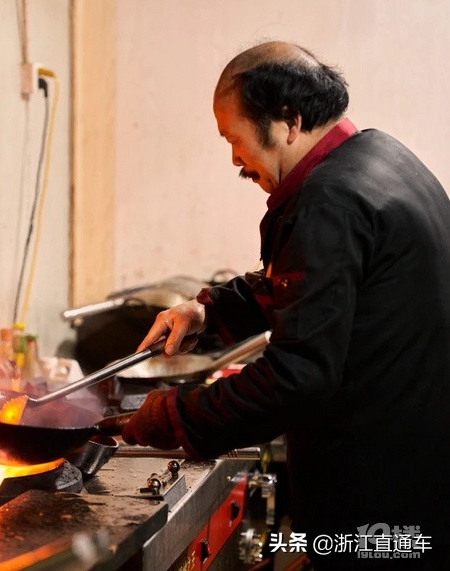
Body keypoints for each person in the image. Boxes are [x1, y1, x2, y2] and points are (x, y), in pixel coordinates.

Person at [121, 41, 450, 570]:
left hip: (378, 500)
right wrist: (208, 311)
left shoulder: (329, 200)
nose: (235, 158)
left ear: (289, 121)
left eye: (235, 138)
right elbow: (320, 287)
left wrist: (173, 416)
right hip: (418, 483)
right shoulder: (381, 158)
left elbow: (297, 378)